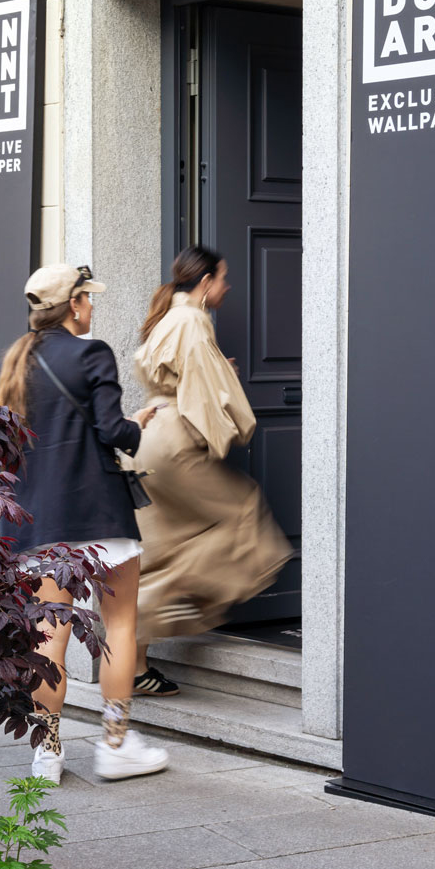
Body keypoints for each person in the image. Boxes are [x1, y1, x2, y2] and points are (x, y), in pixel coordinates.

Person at [0, 262, 169, 784]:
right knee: (120, 625)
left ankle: (47, 753)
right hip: (98, 512)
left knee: (49, 634)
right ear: (73, 305)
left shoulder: (18, 360)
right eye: (87, 297)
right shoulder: (92, 353)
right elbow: (112, 430)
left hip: (40, 520)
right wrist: (138, 425)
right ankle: (114, 745)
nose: (92, 305)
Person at [133, 245, 292, 663]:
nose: (228, 285)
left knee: (163, 543)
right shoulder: (193, 320)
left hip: (148, 439)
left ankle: (137, 664)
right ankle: (159, 599)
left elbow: (186, 375)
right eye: (223, 277)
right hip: (175, 441)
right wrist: (237, 422)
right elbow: (207, 393)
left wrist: (221, 371)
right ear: (205, 283)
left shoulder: (168, 317)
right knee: (243, 512)